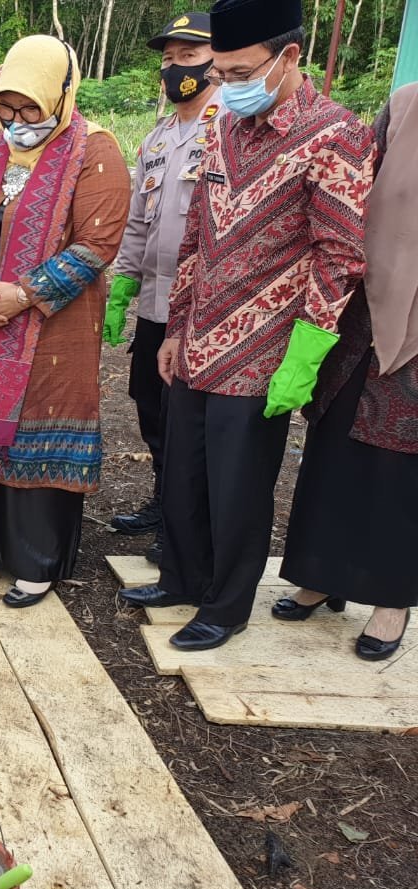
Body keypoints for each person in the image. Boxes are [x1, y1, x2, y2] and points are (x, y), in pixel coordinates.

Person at [119, 0, 375, 651]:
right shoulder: (225, 129)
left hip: (264, 351)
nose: (227, 85)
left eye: (239, 73)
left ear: (289, 56)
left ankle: (226, 605)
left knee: (238, 487)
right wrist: (177, 328)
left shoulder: (336, 134)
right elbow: (196, 237)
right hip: (199, 338)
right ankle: (182, 577)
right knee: (184, 473)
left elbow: (340, 254)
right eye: (221, 73)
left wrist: (306, 353)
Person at [0, 35, 131, 608]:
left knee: (35, 426)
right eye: (7, 108)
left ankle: (35, 561)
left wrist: (25, 294)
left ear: (61, 95)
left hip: (52, 325)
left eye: (30, 109)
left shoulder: (95, 151)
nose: (17, 122)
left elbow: (96, 244)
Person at [274, 84, 418, 662]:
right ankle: (322, 574)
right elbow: (358, 184)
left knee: (398, 463)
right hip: (363, 304)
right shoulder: (406, 104)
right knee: (334, 443)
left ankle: (391, 598)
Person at [104, 12, 223, 565]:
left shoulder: (229, 128)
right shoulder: (157, 137)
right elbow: (138, 222)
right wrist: (123, 284)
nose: (175, 68)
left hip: (203, 306)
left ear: (218, 62)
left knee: (186, 417)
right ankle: (161, 500)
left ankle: (185, 521)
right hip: (156, 303)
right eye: (169, 59)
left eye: (189, 57)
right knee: (149, 404)